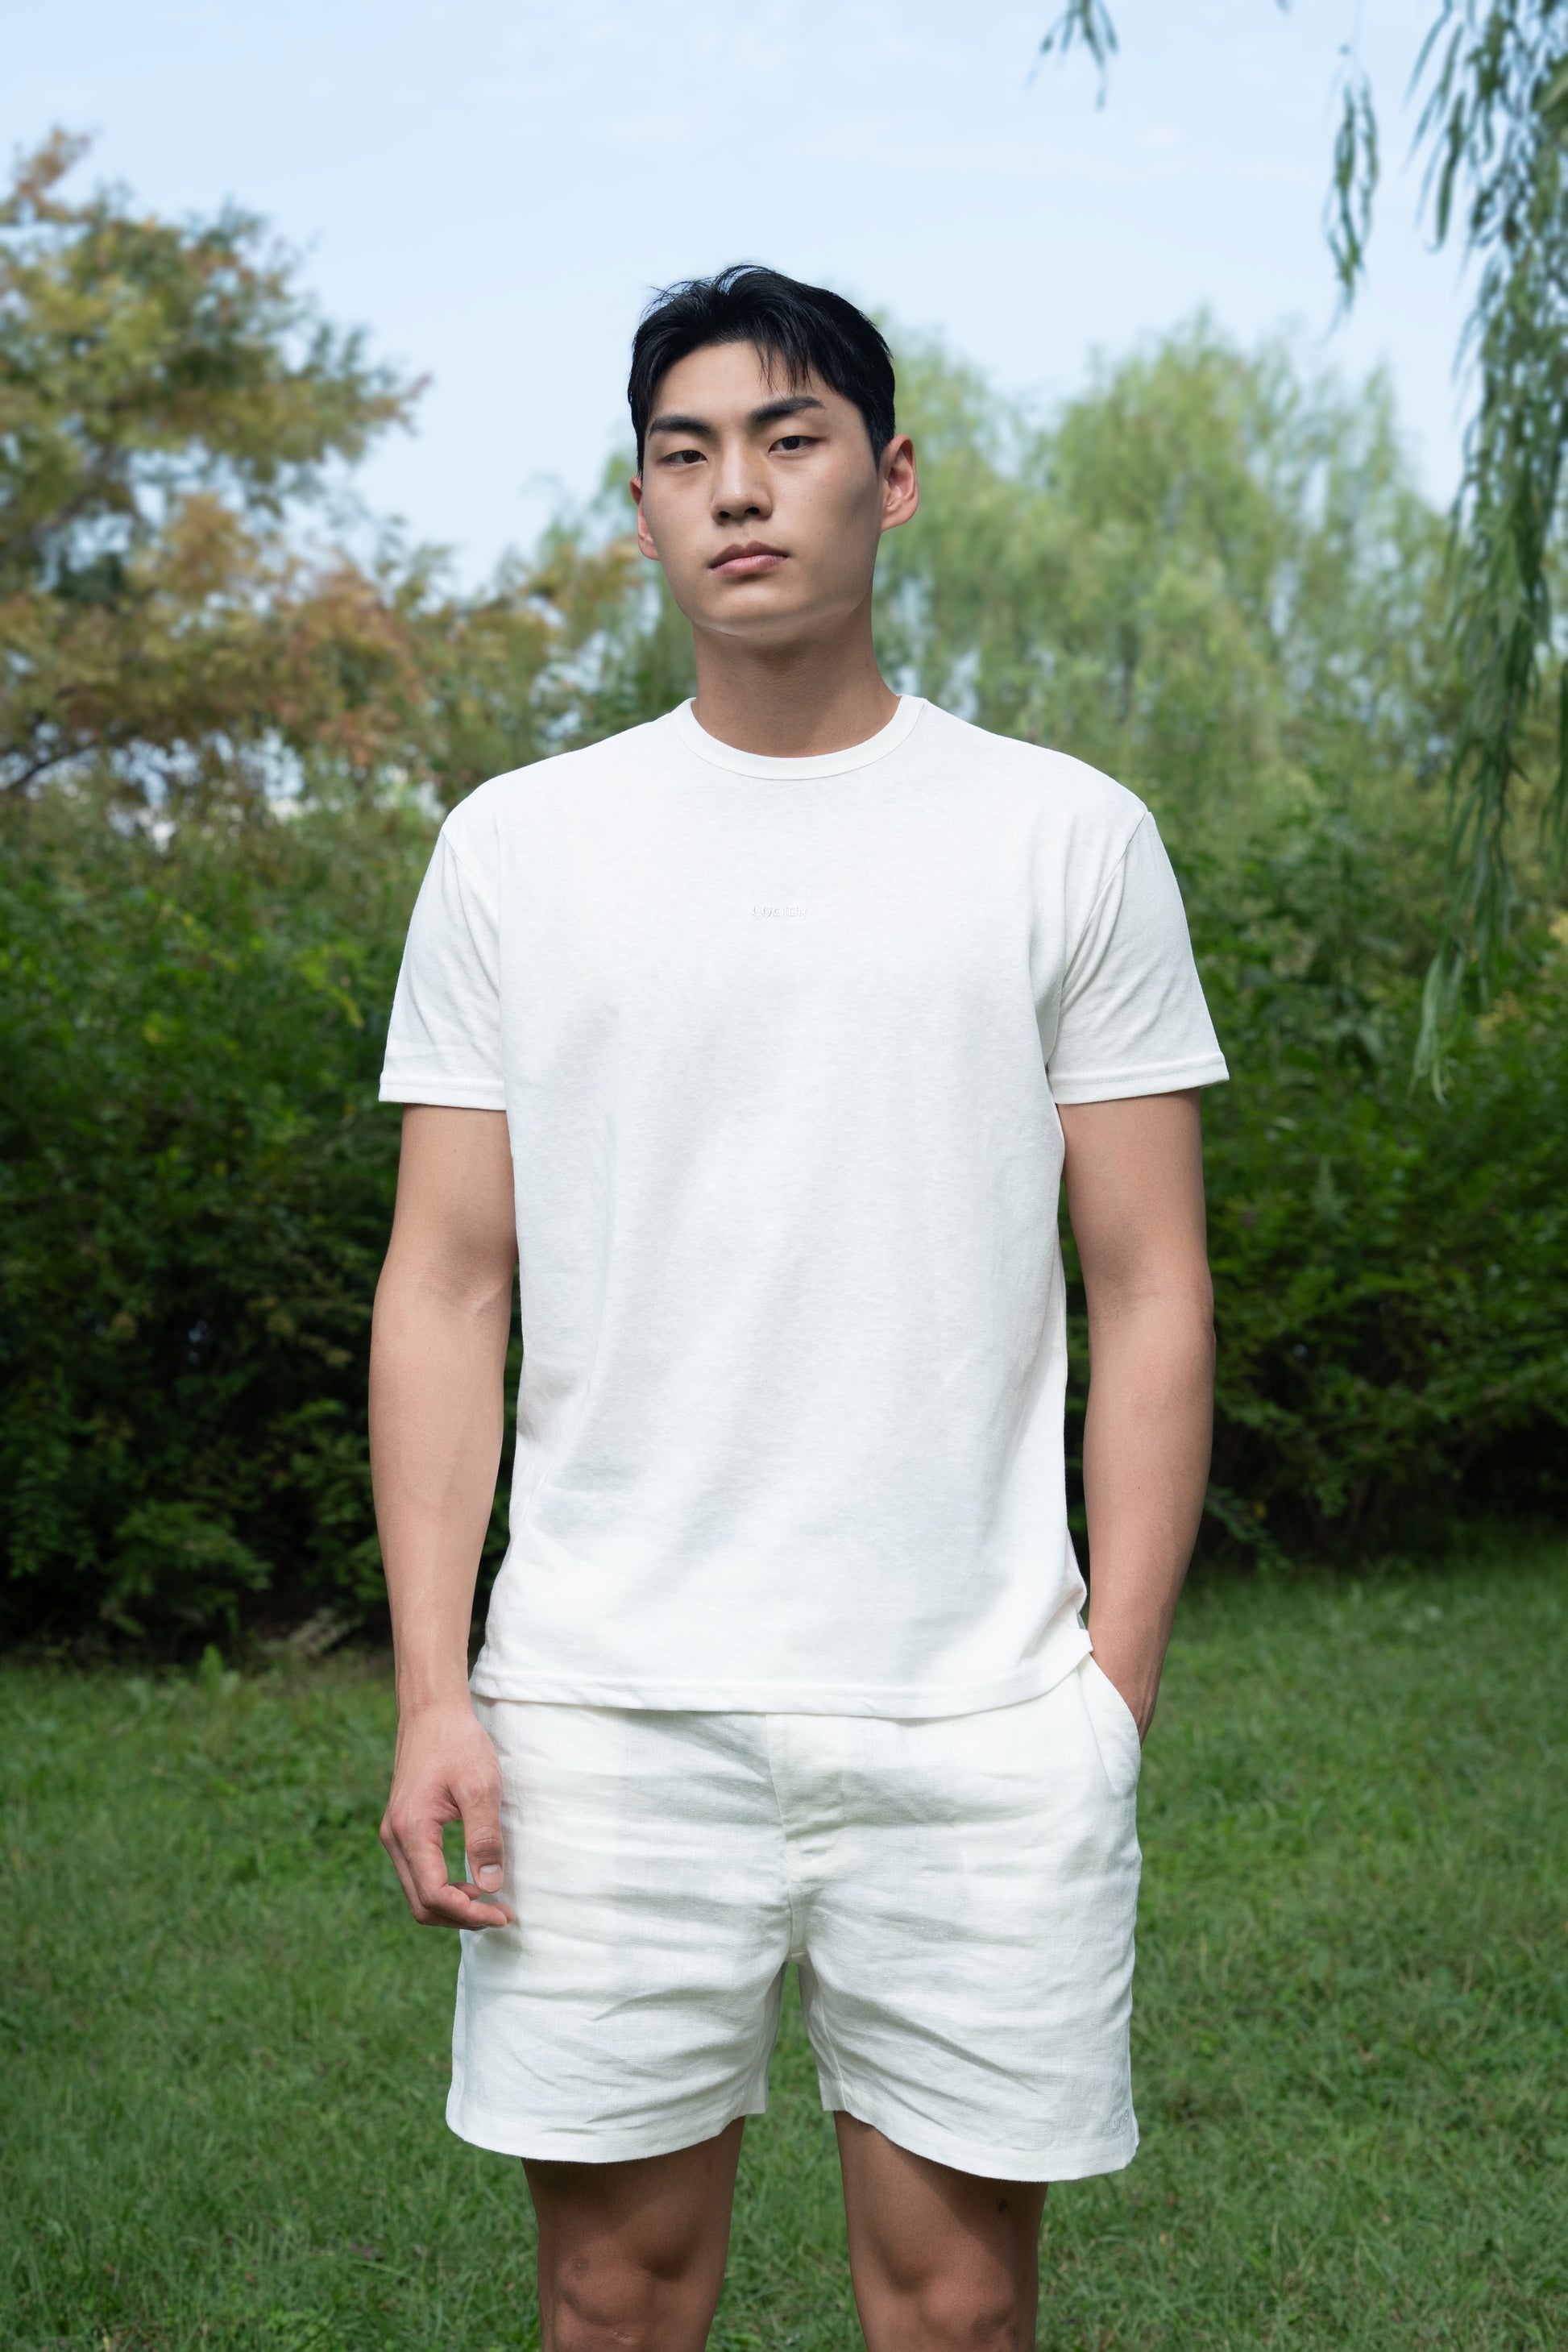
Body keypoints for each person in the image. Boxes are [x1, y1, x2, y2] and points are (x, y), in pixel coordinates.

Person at [371, 263, 1226, 2352]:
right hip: (601, 1713)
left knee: (958, 2312)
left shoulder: (1065, 837)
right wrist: (432, 1693)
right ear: (641, 508)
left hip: (977, 1716)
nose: (737, 491)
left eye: (789, 438)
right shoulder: (517, 850)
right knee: (611, 2298)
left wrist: (1104, 1695)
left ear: (889, 478)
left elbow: (1149, 1285)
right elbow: (449, 1282)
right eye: (687, 454)